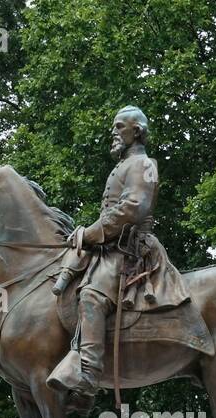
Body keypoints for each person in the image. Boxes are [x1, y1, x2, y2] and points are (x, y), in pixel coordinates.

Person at [47, 104, 191, 398]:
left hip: (131, 249)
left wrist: (90, 233)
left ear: (136, 131)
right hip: (110, 246)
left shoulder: (145, 164)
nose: (112, 133)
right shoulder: (123, 166)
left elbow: (133, 207)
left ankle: (87, 374)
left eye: (118, 127)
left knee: (91, 296)